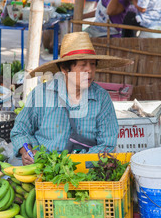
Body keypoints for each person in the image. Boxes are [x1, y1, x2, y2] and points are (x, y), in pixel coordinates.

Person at [10, 32, 132, 166]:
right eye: (82, 65)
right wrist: (26, 151)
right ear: (64, 68)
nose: (89, 70)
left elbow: (107, 144)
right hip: (43, 167)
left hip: (86, 172)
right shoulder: (41, 94)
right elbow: (20, 131)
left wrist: (74, 165)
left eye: (92, 64)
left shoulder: (101, 99)